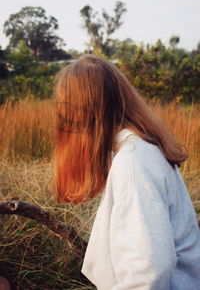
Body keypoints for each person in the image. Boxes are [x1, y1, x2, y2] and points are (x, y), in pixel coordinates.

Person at [52, 54, 200, 290]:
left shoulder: (133, 162)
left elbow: (149, 272)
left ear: (83, 114)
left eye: (67, 111)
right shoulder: (141, 148)